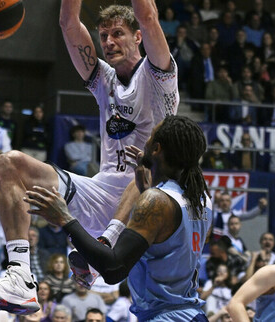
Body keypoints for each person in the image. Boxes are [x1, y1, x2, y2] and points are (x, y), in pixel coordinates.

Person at [0, 0, 179, 314]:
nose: (109, 41)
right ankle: (20, 277)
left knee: (142, 163)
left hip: (150, 198)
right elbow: (66, 23)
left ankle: (104, 245)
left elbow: (148, 16)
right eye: (103, 36)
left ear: (137, 37)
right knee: (9, 164)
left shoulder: (160, 74)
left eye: (118, 33)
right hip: (101, 191)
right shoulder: (103, 80)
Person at [16, 116, 213, 321]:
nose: (144, 141)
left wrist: (65, 219)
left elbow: (113, 270)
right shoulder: (202, 199)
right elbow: (176, 242)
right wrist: (147, 190)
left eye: (150, 136)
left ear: (156, 149)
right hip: (191, 314)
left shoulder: (157, 201)